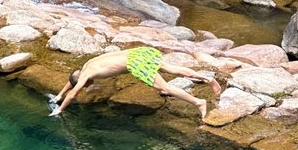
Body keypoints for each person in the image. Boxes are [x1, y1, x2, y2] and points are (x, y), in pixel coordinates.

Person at [50, 46, 221, 117]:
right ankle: (207, 78)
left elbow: (73, 92)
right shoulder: (86, 65)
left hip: (136, 63)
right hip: (139, 53)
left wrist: (59, 109)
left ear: (83, 80)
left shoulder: (86, 75)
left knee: (165, 88)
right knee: (173, 69)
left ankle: (198, 102)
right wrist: (58, 95)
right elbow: (71, 81)